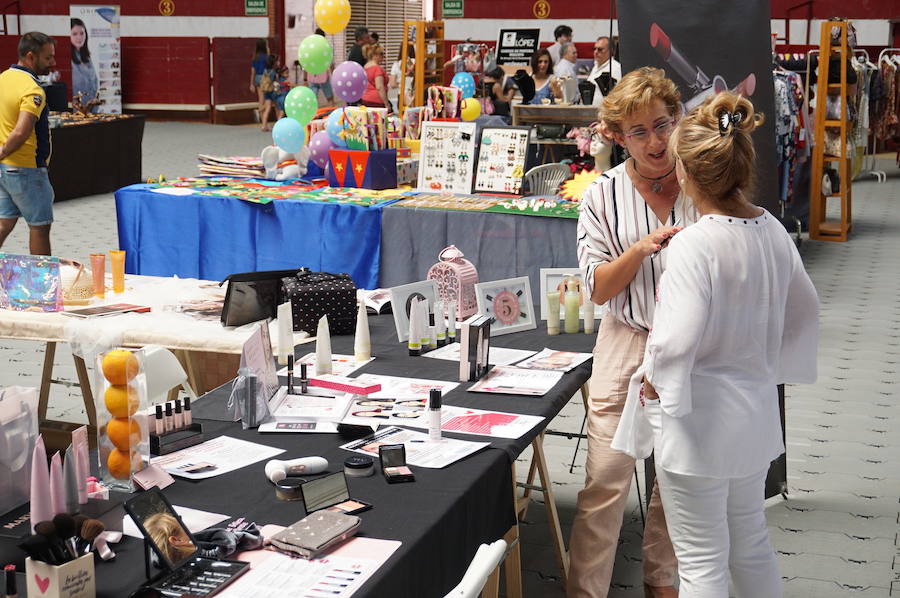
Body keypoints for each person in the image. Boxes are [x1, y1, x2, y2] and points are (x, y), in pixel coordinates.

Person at [620, 92, 818, 596]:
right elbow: (805, 309)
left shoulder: (694, 242)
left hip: (697, 424)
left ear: (685, 172)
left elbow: (673, 340)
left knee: (702, 560)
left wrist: (654, 386)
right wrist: (769, 363)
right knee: (751, 541)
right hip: (753, 413)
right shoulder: (771, 228)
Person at [571, 66, 695, 598]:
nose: (655, 141)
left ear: (677, 121)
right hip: (624, 337)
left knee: (677, 480)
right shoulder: (602, 195)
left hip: (689, 343)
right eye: (639, 131)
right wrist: (640, 250)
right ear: (619, 137)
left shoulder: (701, 182)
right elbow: (597, 288)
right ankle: (585, 590)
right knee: (605, 478)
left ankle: (661, 584)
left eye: (663, 124)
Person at [0, 32, 56, 256]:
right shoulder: (32, 89)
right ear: (30, 57)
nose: (52, 63)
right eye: (48, 58)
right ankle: (42, 285)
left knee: (4, 223)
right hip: (26, 170)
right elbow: (22, 131)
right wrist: (2, 151)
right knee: (40, 226)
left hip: (4, 170)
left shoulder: (3, 78)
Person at [69, 18, 98, 112]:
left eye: (82, 33)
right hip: (76, 113)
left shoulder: (87, 58)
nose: (79, 37)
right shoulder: (68, 60)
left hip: (91, 111)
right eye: (74, 34)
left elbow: (94, 86)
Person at [588, 36, 622, 106]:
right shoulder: (595, 66)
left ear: (611, 51)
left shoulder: (615, 68)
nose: (596, 52)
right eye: (595, 49)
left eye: (600, 49)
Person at [307, 28, 334, 106]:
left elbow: (306, 64)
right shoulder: (326, 47)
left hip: (312, 76)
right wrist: (333, 74)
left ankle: (313, 114)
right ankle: (331, 112)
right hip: (323, 76)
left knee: (313, 98)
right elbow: (331, 63)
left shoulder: (310, 48)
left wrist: (305, 78)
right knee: (330, 97)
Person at [360, 43, 390, 110]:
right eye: (381, 54)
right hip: (376, 101)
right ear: (375, 55)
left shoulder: (365, 68)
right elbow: (379, 87)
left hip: (365, 98)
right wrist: (386, 103)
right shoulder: (377, 68)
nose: (383, 56)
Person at [249, 39, 268, 121]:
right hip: (265, 78)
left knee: (261, 99)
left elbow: (253, 72)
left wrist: (251, 83)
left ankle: (262, 120)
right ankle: (261, 114)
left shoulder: (255, 57)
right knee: (267, 100)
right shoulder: (266, 57)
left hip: (257, 77)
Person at [258, 54, 278, 132]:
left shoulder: (265, 71)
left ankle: (264, 125)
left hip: (266, 91)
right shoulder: (273, 72)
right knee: (277, 108)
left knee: (267, 108)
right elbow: (275, 82)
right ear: (273, 63)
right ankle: (278, 123)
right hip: (272, 91)